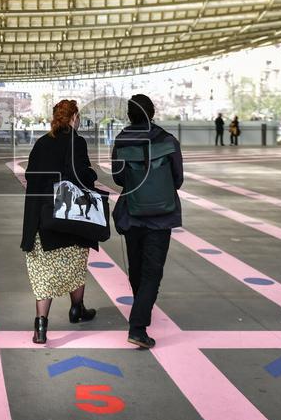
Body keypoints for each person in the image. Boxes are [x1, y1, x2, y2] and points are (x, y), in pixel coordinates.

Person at [20, 99, 99, 345]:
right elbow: (82, 176)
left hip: (42, 218)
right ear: (74, 118)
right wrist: (91, 174)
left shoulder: (42, 143)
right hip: (71, 217)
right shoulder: (77, 142)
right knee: (76, 263)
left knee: (44, 274)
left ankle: (41, 326)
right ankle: (77, 309)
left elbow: (30, 175)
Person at [110, 94, 183, 349]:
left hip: (133, 213)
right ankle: (138, 327)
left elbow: (118, 177)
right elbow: (178, 179)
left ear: (129, 115)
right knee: (153, 271)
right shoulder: (168, 140)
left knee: (137, 267)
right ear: (152, 113)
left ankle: (139, 312)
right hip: (161, 216)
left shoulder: (121, 140)